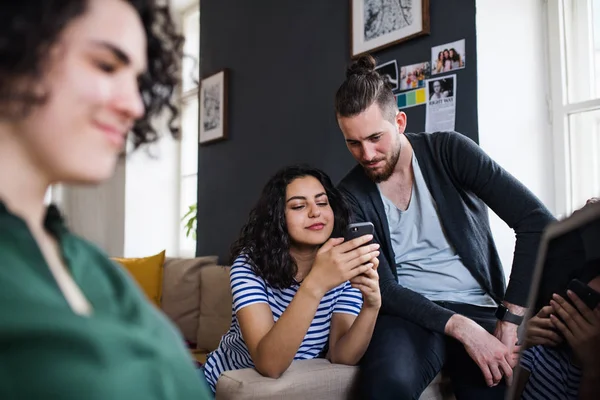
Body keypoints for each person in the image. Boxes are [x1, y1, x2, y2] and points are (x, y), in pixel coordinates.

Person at [0, 1, 211, 398]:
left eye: (137, 80)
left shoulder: (89, 263)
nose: (135, 105)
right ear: (15, 49)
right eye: (106, 65)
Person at [333, 54, 556, 399]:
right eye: (353, 143)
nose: (367, 153)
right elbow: (385, 288)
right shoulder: (349, 195)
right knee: (385, 386)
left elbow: (537, 223)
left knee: (494, 390)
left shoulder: (450, 151)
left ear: (400, 122)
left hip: (479, 306)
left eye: (376, 137)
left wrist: (510, 321)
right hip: (410, 316)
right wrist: (460, 327)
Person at [203, 165, 381, 394]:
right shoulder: (249, 264)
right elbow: (269, 364)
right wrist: (316, 283)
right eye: (298, 205)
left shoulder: (342, 265)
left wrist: (371, 306)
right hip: (220, 386)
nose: (315, 212)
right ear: (278, 217)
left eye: (322, 202)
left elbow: (342, 355)